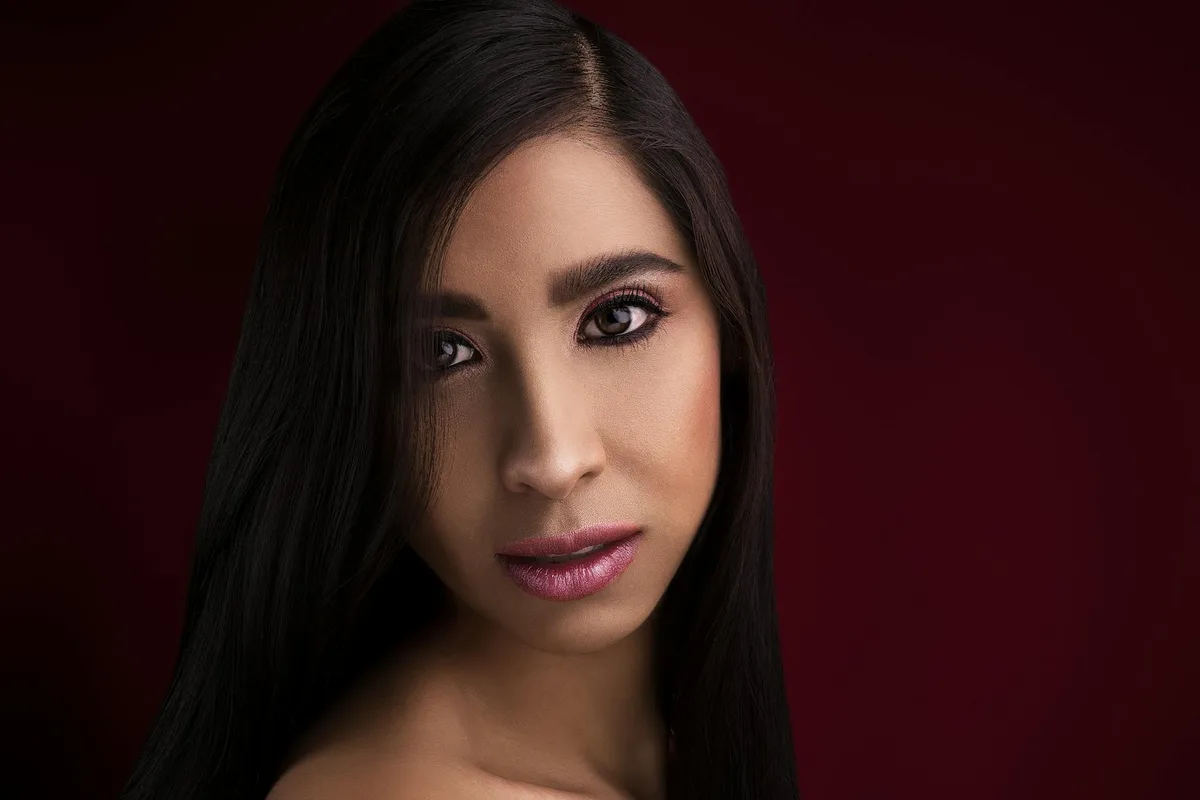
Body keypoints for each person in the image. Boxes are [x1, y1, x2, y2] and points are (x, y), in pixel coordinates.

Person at [121, 0, 799, 797]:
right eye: (440, 354)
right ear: (349, 407)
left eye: (616, 319)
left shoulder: (681, 743)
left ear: (728, 329)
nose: (552, 459)